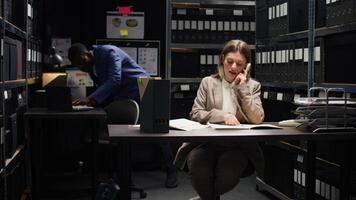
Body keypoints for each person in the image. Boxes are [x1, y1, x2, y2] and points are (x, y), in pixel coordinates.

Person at [68, 43, 178, 188]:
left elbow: (114, 79)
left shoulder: (109, 52)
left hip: (143, 87)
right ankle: (125, 176)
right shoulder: (92, 64)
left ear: (87, 54)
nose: (82, 67)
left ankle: (172, 170)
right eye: (79, 66)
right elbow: (104, 84)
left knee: (158, 130)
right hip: (124, 94)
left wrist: (90, 99)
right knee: (122, 136)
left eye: (82, 62)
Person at [174, 40, 265, 200]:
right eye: (230, 62)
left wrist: (242, 89)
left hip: (238, 145)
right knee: (198, 170)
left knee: (227, 176)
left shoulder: (252, 86)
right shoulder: (208, 83)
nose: (234, 68)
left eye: (239, 63)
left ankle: (207, 197)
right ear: (222, 59)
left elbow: (257, 119)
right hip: (207, 142)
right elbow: (196, 113)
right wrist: (222, 116)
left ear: (246, 66)